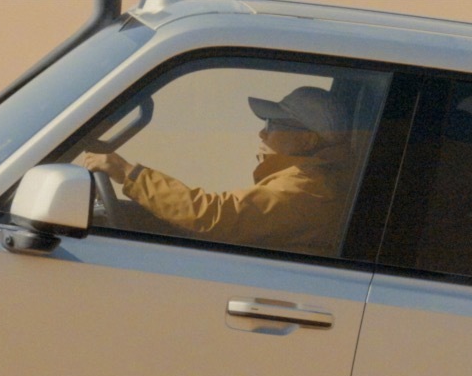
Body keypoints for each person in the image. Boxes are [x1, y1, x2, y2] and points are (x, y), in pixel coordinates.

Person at [76, 85, 355, 254]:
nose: (262, 133)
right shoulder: (308, 180)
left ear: (307, 140)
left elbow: (212, 216)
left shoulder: (307, 189)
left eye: (273, 124)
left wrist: (128, 173)